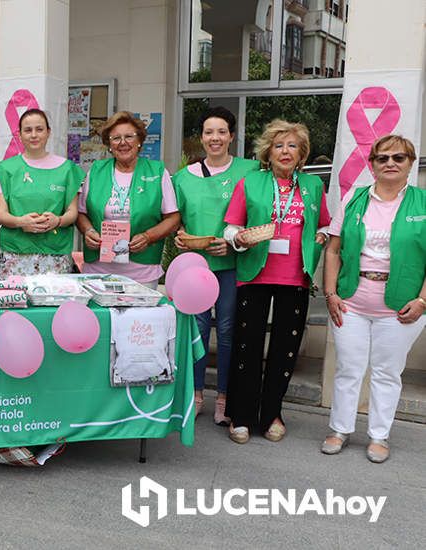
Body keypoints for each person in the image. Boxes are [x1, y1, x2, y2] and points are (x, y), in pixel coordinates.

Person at [222, 119, 330, 444]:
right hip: (254, 274)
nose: (285, 151)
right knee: (247, 346)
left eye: (292, 146)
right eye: (279, 145)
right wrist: (238, 238)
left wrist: (321, 239)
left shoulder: (313, 186)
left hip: (295, 277)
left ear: (302, 154)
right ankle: (241, 416)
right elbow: (229, 227)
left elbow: (325, 224)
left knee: (285, 350)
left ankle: (272, 413)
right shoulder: (250, 182)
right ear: (268, 152)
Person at [322, 134, 426, 463]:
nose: (391, 163)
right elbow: (334, 248)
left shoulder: (423, 203)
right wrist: (330, 293)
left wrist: (423, 300)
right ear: (372, 165)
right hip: (352, 301)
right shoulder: (354, 198)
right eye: (383, 158)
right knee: (349, 369)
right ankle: (340, 429)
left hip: (401, 306)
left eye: (399, 157)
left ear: (411, 163)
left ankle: (379, 435)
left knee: (386, 372)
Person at [171, 107, 259, 424]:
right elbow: (175, 219)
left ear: (232, 136)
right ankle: (195, 394)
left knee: (226, 332)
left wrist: (235, 242)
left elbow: (259, 219)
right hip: (195, 268)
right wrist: (179, 236)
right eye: (209, 132)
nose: (215, 138)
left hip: (231, 266)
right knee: (196, 332)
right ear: (202, 137)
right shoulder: (183, 177)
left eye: (222, 132)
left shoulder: (250, 172)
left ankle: (224, 396)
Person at [77, 111, 180, 288]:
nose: (123, 143)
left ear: (139, 141)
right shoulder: (95, 171)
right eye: (116, 138)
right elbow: (81, 213)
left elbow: (173, 218)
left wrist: (148, 237)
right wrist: (88, 231)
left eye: (129, 137)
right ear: (109, 144)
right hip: (98, 269)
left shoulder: (157, 172)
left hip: (141, 269)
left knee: (140, 317)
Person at [0, 109, 84, 278]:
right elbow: (1, 214)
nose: (33, 135)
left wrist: (58, 221)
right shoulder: (6, 168)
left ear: (48, 132)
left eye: (39, 129)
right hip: (15, 253)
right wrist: (21, 222)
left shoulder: (67, 169)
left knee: (51, 302)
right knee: (14, 302)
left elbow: (72, 212)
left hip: (55, 253)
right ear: (19, 135)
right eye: (28, 130)